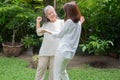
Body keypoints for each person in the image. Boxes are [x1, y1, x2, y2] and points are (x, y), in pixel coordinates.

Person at [42, 1, 85, 80]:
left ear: (69, 11)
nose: (65, 13)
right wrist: (81, 22)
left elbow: (59, 35)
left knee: (57, 73)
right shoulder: (78, 22)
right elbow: (72, 31)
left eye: (65, 11)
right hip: (70, 53)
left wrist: (47, 31)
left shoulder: (69, 22)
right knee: (62, 71)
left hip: (62, 51)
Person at [35, 5, 64, 80]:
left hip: (56, 51)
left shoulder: (61, 22)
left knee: (53, 71)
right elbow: (39, 33)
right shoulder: (46, 24)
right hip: (45, 50)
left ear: (55, 12)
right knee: (41, 68)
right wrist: (38, 22)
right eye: (49, 14)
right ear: (46, 16)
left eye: (52, 12)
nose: (52, 14)